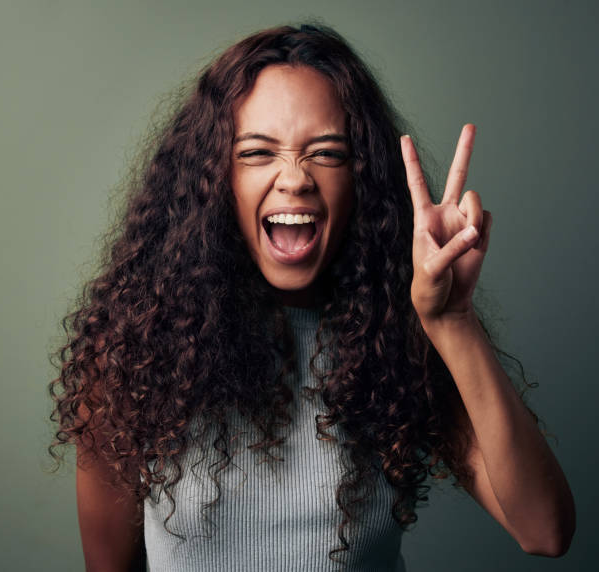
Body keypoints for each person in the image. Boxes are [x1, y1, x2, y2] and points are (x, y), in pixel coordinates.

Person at [48, 23, 575, 571]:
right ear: (213, 178)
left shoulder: (399, 341)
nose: (295, 178)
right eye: (257, 152)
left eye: (326, 152)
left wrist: (452, 320)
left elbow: (545, 530)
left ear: (361, 181)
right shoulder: (134, 352)